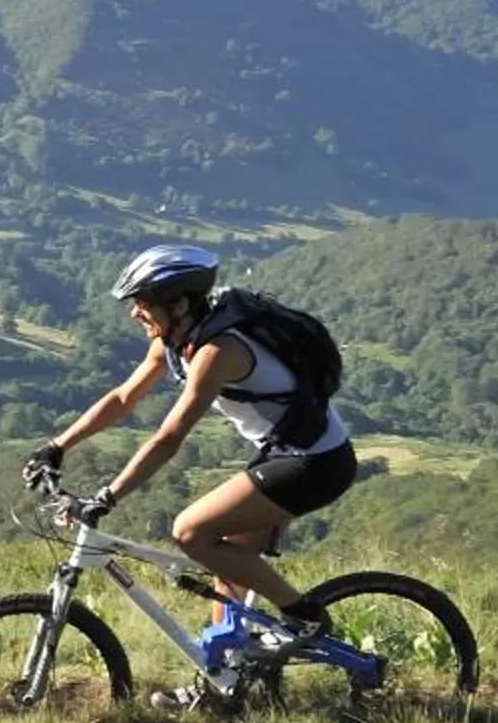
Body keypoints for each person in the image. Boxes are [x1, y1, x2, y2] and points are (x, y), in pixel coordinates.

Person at [29, 245, 359, 693]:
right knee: (229, 565)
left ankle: (306, 620)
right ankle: (224, 680)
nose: (135, 316)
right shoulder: (176, 338)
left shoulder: (218, 351)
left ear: (179, 303)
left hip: (315, 463)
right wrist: (57, 446)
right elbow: (124, 398)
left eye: (143, 305)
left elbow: (169, 438)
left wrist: (109, 496)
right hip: (283, 452)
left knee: (190, 533)